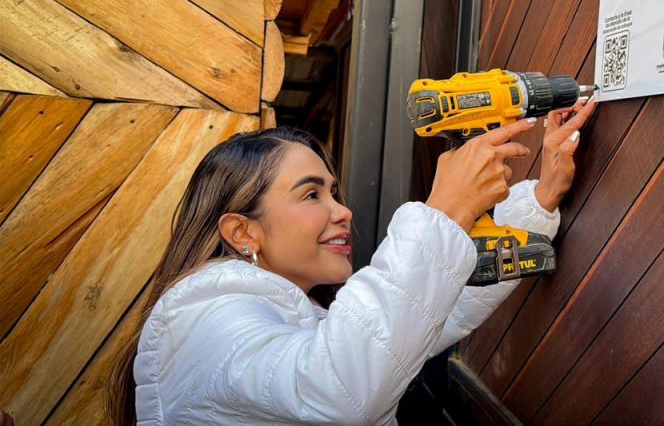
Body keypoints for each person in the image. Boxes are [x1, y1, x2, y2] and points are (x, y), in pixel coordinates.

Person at [109, 99, 596, 425]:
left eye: (334, 192)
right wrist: (444, 210)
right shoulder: (205, 318)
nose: (342, 210)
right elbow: (339, 388)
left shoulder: (275, 317)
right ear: (242, 232)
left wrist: (540, 199)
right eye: (311, 193)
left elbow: (424, 315)